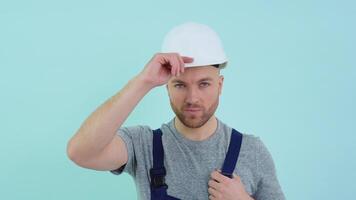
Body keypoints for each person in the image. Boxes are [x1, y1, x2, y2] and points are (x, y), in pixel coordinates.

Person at [67, 22, 285, 200]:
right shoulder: (143, 145)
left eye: (204, 84)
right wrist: (143, 81)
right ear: (167, 87)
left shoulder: (252, 150)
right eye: (180, 85)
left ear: (220, 85)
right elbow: (80, 152)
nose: (192, 98)